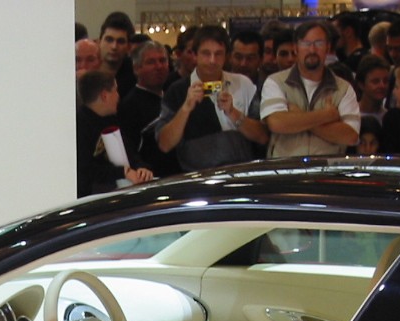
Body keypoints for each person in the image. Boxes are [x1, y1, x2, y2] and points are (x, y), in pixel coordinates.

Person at [154, 25, 267, 171]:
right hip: (197, 177)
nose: (212, 60)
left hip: (241, 173)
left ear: (227, 56)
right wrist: (186, 108)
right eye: (206, 53)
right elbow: (164, 144)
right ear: (195, 55)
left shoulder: (244, 84)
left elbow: (262, 136)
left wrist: (233, 113)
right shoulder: (177, 91)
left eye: (218, 54)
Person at [261, 20, 360, 158]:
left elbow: (350, 136)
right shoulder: (276, 82)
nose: (312, 50)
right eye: (306, 43)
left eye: (319, 43)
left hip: (326, 169)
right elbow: (277, 123)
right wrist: (326, 116)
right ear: (296, 48)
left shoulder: (343, 88)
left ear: (328, 48)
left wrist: (298, 117)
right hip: (286, 167)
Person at [76, 70, 153, 198]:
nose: (118, 96)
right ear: (104, 96)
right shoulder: (80, 127)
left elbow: (129, 151)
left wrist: (141, 168)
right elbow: (86, 169)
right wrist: (123, 172)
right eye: (115, 90)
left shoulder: (111, 119)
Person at [119, 40, 179, 178]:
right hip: (153, 179)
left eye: (162, 60)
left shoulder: (173, 97)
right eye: (151, 62)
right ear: (136, 68)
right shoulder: (129, 106)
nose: (158, 66)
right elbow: (129, 150)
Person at [98, 12, 137, 95]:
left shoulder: (136, 76)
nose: (114, 47)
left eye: (120, 41)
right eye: (109, 40)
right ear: (99, 42)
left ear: (129, 47)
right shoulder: (88, 68)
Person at [357, 54, 390, 123]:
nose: (382, 85)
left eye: (385, 81)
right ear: (361, 85)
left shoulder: (390, 118)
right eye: (375, 81)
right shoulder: (349, 115)